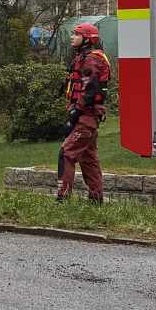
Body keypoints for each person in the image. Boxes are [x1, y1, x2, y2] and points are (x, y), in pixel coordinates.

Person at [56, 22, 111, 204]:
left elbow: (91, 89)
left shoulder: (92, 60)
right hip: (86, 115)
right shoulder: (83, 57)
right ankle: (96, 199)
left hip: (85, 115)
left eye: (76, 34)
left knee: (66, 153)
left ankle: (63, 197)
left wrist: (75, 113)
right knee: (88, 158)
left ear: (87, 39)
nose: (72, 37)